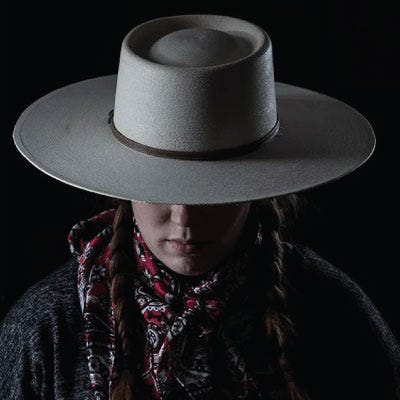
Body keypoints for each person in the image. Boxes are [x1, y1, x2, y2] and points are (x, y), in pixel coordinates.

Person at [1, 14, 399, 400]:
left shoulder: (335, 315)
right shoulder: (46, 332)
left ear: (257, 187)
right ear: (121, 185)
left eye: (213, 192)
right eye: (159, 188)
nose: (185, 217)